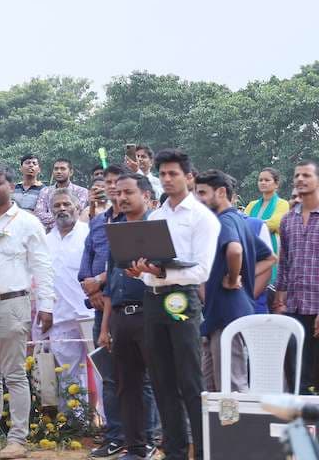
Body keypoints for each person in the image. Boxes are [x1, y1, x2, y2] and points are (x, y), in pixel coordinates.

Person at [125, 149, 219, 460]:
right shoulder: (156, 215)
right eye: (163, 174)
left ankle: (204, 451)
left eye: (173, 173)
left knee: (190, 381)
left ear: (189, 177)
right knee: (162, 380)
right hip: (152, 300)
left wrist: (162, 271)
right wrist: (140, 270)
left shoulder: (202, 217)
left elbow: (202, 270)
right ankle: (175, 451)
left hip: (182, 299)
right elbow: (149, 272)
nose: (167, 179)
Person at [0, 165, 53, 459]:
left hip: (12, 304)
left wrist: (47, 304)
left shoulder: (27, 222)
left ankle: (18, 438)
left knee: (15, 374)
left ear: (11, 186)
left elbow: (42, 266)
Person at [194, 171, 274, 393]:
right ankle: (216, 429)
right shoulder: (239, 220)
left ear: (221, 192)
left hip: (228, 315)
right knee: (212, 390)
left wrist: (232, 277)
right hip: (218, 315)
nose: (198, 199)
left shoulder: (225, 220)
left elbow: (235, 250)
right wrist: (244, 276)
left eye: (202, 193)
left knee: (232, 388)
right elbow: (269, 258)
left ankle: (240, 429)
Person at [97, 173, 158, 460]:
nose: (121, 198)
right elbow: (111, 282)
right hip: (121, 317)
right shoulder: (116, 229)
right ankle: (134, 448)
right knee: (126, 384)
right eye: (118, 193)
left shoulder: (158, 227)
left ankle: (154, 440)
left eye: (128, 193)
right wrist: (105, 326)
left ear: (145, 196)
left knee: (156, 383)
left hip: (151, 313)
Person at [79, 166, 131, 458]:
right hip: (100, 307)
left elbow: (122, 264)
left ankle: (140, 436)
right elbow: (87, 261)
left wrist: (101, 283)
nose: (111, 188)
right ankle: (114, 435)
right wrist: (93, 289)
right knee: (109, 375)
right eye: (107, 183)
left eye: (117, 183)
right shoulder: (97, 222)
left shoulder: (132, 221)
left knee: (135, 375)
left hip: (126, 305)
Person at [34, 190, 93, 408]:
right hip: (58, 316)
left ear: (78, 208)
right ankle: (76, 423)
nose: (62, 209)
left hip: (90, 313)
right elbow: (40, 280)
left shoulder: (90, 235)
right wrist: (44, 309)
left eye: (66, 204)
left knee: (101, 369)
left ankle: (107, 423)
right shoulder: (44, 242)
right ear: (50, 211)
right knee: (68, 371)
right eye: (56, 205)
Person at [273, 159, 319, 394]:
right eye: (297, 175)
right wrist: (279, 300)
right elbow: (284, 263)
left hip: (316, 307)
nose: (300, 179)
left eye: (306, 175)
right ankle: (301, 428)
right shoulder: (288, 220)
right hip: (293, 307)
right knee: (296, 373)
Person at [245, 167, 289, 286]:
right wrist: (261, 224)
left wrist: (254, 225)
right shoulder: (252, 205)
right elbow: (243, 224)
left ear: (276, 184)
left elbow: (275, 224)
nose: (263, 182)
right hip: (251, 250)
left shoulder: (283, 204)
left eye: (267, 180)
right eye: (260, 180)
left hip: (272, 252)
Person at [34, 159, 90, 230]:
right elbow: (39, 216)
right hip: (49, 234)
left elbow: (77, 215)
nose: (59, 171)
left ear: (71, 172)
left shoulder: (81, 192)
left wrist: (53, 217)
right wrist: (65, 217)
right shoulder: (45, 191)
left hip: (74, 232)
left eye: (63, 169)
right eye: (56, 169)